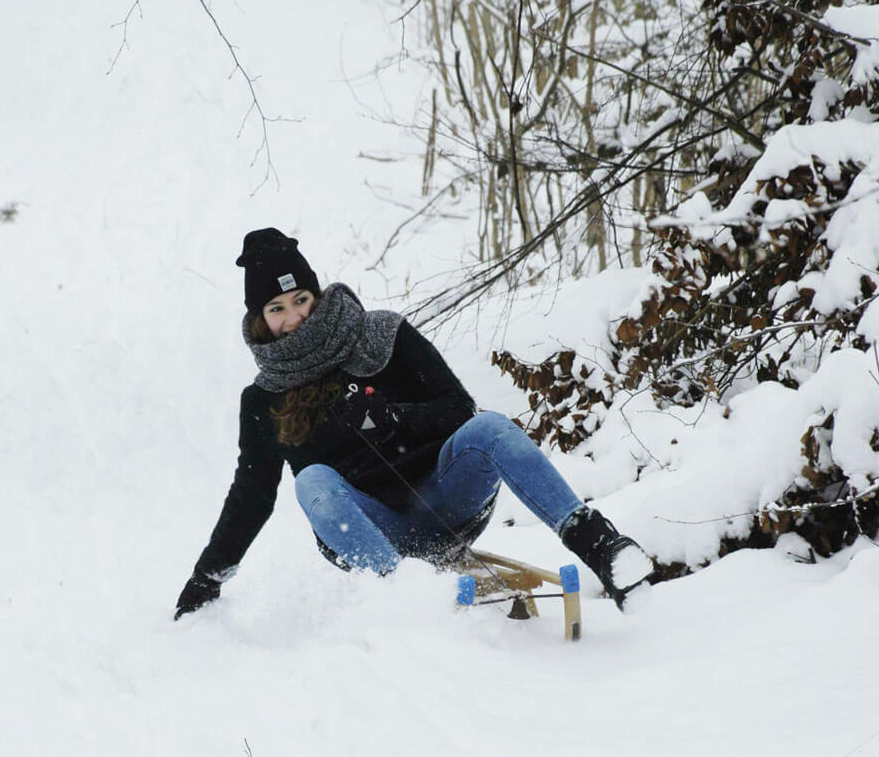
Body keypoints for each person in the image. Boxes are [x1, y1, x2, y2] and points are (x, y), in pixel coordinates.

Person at [175, 228, 653, 619]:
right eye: (277, 309)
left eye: (300, 299)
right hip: (368, 534)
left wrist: (395, 419)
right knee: (312, 480)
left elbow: (458, 410)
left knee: (489, 427)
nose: (294, 317)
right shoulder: (264, 399)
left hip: (449, 502)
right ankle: (409, 600)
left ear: (315, 295)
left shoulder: (380, 334)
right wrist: (207, 576)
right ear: (260, 321)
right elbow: (252, 496)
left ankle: (603, 548)